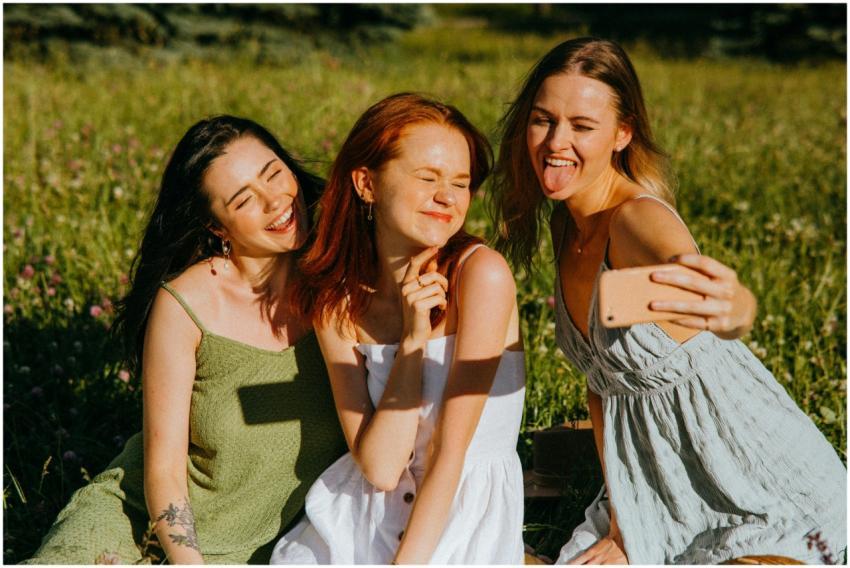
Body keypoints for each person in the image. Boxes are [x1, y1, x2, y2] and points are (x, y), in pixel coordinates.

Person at [490, 37, 847, 564]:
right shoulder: (568, 223)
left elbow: (699, 280)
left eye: (582, 126)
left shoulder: (636, 220)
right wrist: (621, 522)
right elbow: (601, 389)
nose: (556, 141)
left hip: (749, 475)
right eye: (543, 120)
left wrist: (736, 305)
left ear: (622, 133)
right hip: (649, 479)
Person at [24, 116, 348, 564]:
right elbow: (164, 470)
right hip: (143, 523)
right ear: (217, 228)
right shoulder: (186, 305)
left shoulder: (342, 283)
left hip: (270, 550)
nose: (275, 201)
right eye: (243, 200)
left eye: (273, 173)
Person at [270, 93, 526, 564]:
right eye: (427, 177)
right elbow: (382, 468)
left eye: (461, 183)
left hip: (460, 521)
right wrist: (412, 340)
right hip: (361, 520)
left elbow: (451, 454)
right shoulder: (337, 304)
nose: (447, 197)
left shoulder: (481, 276)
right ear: (367, 184)